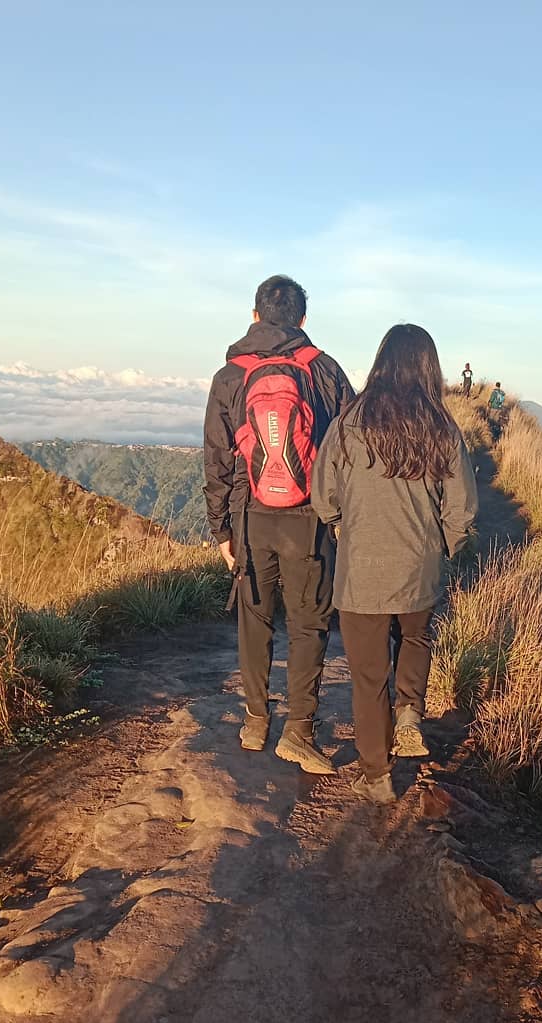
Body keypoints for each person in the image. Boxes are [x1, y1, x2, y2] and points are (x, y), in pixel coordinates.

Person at [312, 324, 478, 804]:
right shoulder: (442, 427)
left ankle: (377, 775)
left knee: (367, 677)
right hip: (419, 567)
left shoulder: (348, 423)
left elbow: (324, 498)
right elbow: (462, 508)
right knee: (415, 636)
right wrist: (445, 546)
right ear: (431, 367)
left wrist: (349, 526)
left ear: (381, 361)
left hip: (361, 569)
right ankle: (409, 710)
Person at [204, 274, 355, 775]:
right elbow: (350, 451)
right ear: (303, 320)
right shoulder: (326, 372)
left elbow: (217, 457)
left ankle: (253, 720)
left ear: (254, 315)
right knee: (309, 623)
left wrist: (220, 529)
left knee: (256, 617)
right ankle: (299, 731)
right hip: (308, 520)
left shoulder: (230, 376)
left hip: (250, 518)